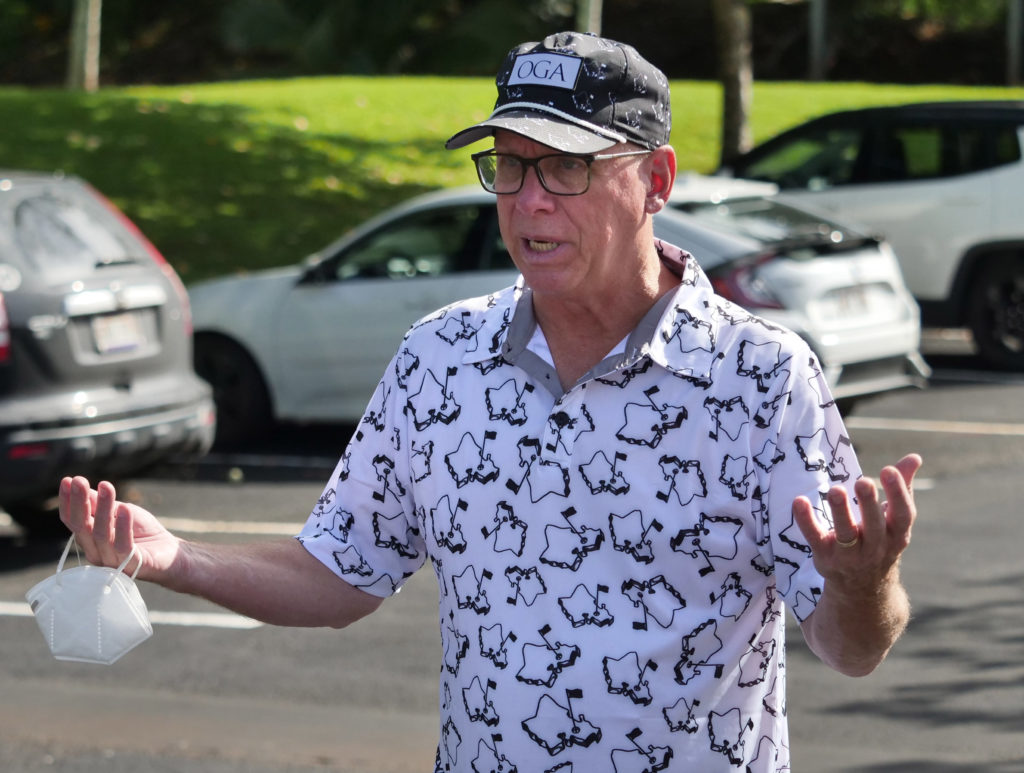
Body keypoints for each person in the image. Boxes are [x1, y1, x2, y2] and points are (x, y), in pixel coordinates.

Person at [59, 31, 920, 772]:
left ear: (656, 180)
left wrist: (864, 584)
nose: (529, 199)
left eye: (567, 167)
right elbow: (338, 572)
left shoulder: (760, 375)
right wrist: (175, 557)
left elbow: (852, 647)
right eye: (510, 165)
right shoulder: (440, 358)